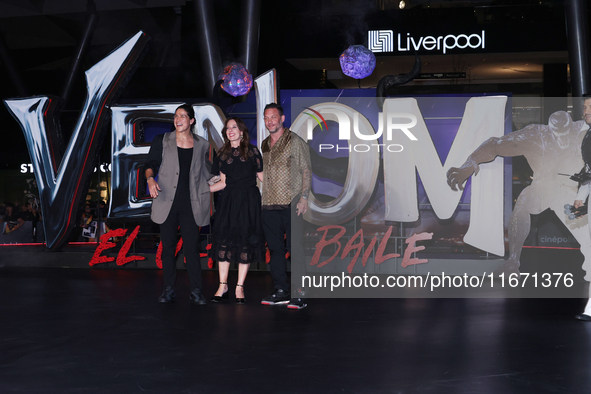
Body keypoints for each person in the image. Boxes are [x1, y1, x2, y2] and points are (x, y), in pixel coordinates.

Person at [447, 110, 588, 277]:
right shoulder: (535, 135)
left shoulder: (583, 131)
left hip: (570, 190)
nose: (562, 140)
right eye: (558, 135)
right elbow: (494, 144)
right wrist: (468, 165)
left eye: (565, 134)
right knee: (522, 203)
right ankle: (513, 262)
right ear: (550, 131)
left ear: (571, 126)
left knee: (586, 237)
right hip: (542, 188)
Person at [145, 104, 213, 305]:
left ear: (191, 121)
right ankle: (168, 288)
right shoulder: (162, 140)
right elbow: (150, 165)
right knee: (168, 248)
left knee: (191, 248)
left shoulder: (203, 144)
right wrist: (150, 180)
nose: (178, 119)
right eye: (176, 116)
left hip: (192, 204)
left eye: (183, 116)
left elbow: (208, 173)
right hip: (167, 202)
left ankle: (196, 290)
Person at [259, 103, 311, 310]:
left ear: (282, 119)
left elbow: (306, 170)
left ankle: (300, 293)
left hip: (292, 202)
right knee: (275, 250)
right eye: (266, 118)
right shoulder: (264, 144)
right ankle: (281, 291)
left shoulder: (295, 141)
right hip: (269, 204)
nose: (269, 121)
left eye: (273, 117)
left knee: (295, 249)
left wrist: (304, 198)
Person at [208, 117, 265, 304]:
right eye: (227, 128)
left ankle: (239, 287)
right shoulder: (222, 153)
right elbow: (222, 183)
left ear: (242, 131)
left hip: (249, 201)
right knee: (223, 242)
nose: (230, 130)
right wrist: (200, 190)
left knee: (244, 243)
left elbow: (263, 178)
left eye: (234, 127)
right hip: (228, 201)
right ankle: (222, 284)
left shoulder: (253, 151)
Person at [573, 95, 591, 321]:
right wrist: (581, 196)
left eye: (588, 107)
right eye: (585, 107)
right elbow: (588, 168)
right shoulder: (587, 136)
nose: (585, 111)